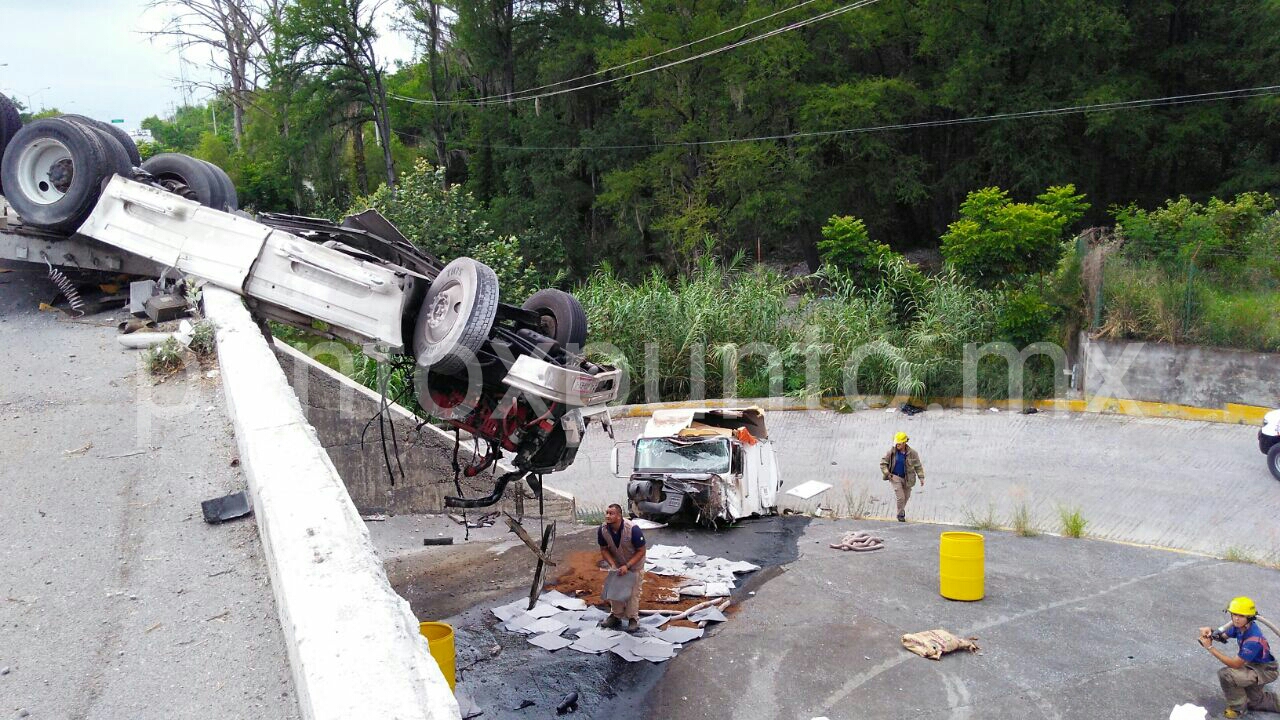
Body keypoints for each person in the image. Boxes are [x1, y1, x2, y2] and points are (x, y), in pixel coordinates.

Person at [1199, 596, 1279, 718]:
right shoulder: (1240, 627)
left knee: (1226, 675)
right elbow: (1222, 636)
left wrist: (1210, 647)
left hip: (1264, 670)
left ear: (1250, 617)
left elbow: (1235, 664)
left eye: (1241, 616)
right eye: (1234, 614)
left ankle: (1238, 708)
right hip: (1252, 663)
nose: (1236, 618)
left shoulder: (1253, 639)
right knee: (1254, 701)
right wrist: (1210, 633)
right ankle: (1269, 701)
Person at [598, 503, 646, 632]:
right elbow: (603, 549)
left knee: (633, 593)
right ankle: (616, 615)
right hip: (618, 563)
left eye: (611, 513)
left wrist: (628, 565)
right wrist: (612, 565)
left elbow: (641, 550)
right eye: (607, 513)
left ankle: (633, 619)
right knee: (616, 590)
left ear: (619, 516)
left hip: (635, 565)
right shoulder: (603, 530)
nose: (607, 516)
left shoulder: (633, 529)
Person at [879, 431, 925, 522]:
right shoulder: (891, 452)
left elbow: (918, 466)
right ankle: (900, 515)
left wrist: (921, 477)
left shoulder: (913, 453)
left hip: (908, 479)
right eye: (896, 443)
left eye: (899, 444)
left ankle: (901, 510)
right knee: (901, 497)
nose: (897, 445)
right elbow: (883, 463)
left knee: (906, 496)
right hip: (895, 477)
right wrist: (887, 473)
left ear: (904, 443)